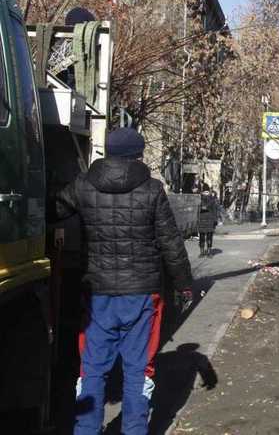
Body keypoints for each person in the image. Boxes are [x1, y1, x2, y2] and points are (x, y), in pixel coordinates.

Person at [55, 127, 193, 435]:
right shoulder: (152, 189)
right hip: (142, 295)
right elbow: (171, 242)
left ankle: (86, 429)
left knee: (91, 369)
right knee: (137, 370)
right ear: (137, 154)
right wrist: (184, 284)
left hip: (98, 294)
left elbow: (56, 209)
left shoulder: (83, 185)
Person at [198, 189, 219, 257]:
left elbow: (215, 210)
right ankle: (202, 252)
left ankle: (209, 252)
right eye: (205, 191)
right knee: (202, 237)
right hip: (202, 220)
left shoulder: (213, 200)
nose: (206, 193)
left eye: (207, 191)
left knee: (209, 237)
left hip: (210, 220)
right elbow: (198, 211)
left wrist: (215, 220)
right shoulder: (199, 199)